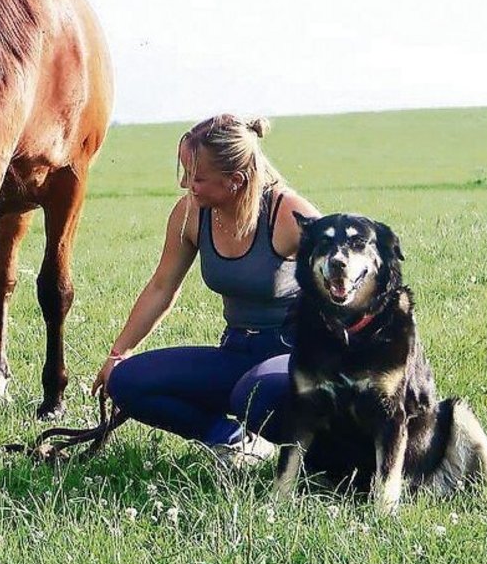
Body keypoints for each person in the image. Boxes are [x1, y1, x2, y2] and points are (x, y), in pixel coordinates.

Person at [90, 113, 319, 458]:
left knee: (252, 395)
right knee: (126, 382)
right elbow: (161, 288)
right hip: (237, 352)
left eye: (197, 177)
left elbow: (352, 283)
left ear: (236, 180)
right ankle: (233, 441)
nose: (185, 185)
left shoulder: (288, 215)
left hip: (295, 358)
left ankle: (324, 452)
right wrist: (117, 354)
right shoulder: (191, 214)